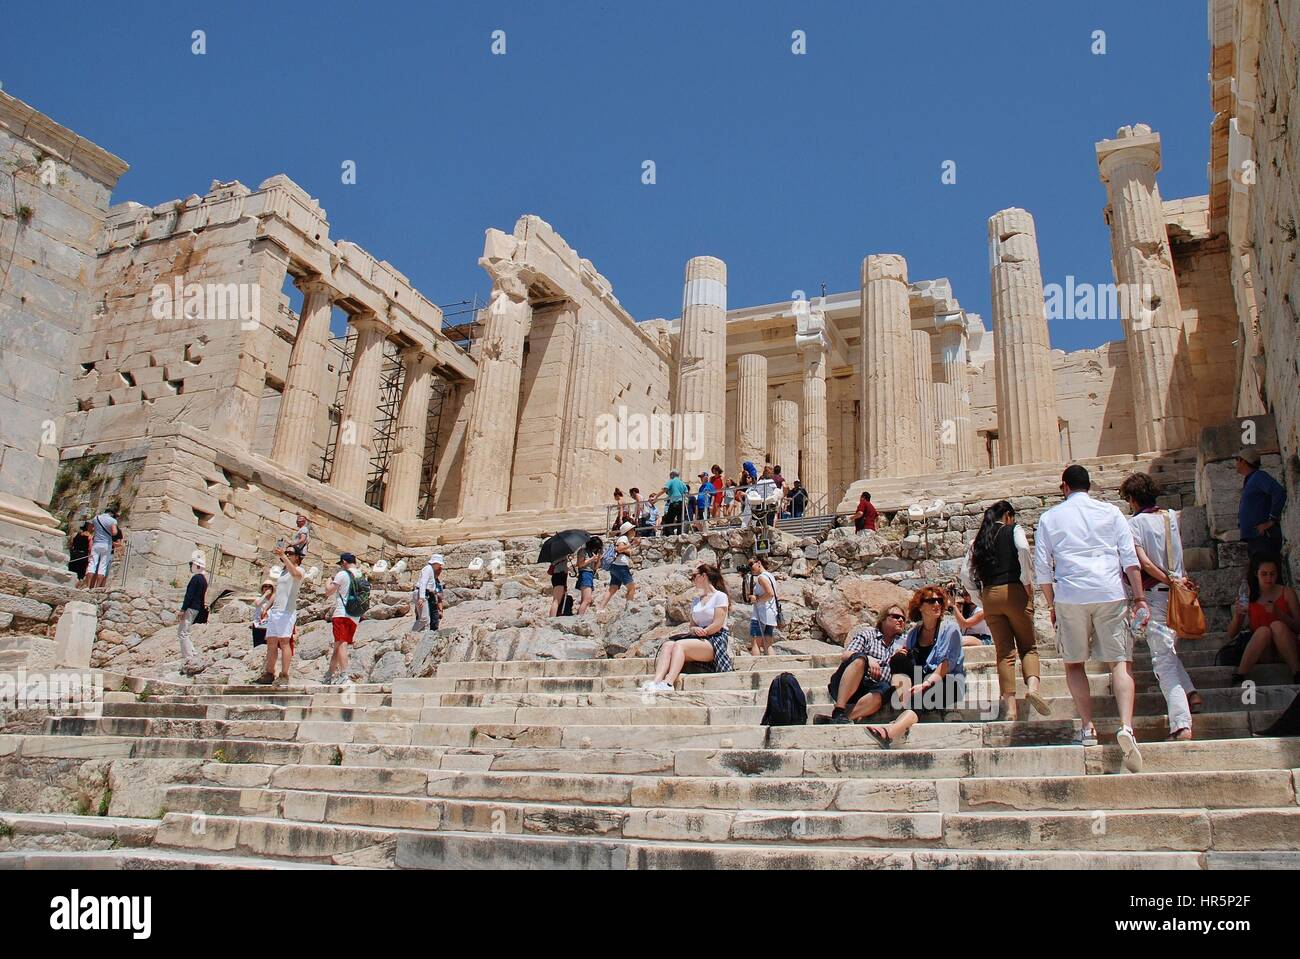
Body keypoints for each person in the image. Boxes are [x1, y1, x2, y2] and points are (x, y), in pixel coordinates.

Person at [1034, 465, 1149, 772]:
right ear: (1089, 486)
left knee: (1074, 664)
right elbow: (1129, 559)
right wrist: (1139, 598)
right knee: (1120, 662)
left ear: (1064, 487)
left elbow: (1043, 568)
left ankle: (1087, 728)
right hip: (1109, 590)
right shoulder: (1111, 513)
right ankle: (1126, 726)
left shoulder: (1050, 518)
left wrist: (1051, 605)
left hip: (1071, 594)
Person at [1120, 472, 1203, 740]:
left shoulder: (1134, 524)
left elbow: (1141, 561)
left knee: (1163, 661)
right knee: (1168, 649)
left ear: (1132, 499)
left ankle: (1181, 724)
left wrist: (1160, 581)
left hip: (1155, 595)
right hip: (1178, 595)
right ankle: (1191, 693)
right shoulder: (1170, 518)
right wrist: (1178, 580)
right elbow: (1177, 552)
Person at [961, 500, 1050, 721]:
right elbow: (1022, 549)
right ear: (1008, 515)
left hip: (990, 596)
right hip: (1014, 590)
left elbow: (965, 573)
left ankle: (1010, 707)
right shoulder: (1014, 530)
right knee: (1028, 646)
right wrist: (1027, 582)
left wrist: (978, 597)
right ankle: (1033, 688)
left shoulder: (977, 540)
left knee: (1004, 652)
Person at [862, 586, 966, 747]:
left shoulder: (950, 629)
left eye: (939, 600)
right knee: (898, 659)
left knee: (922, 696)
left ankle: (890, 733)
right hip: (920, 681)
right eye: (931, 600)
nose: (937, 603)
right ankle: (906, 710)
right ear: (920, 606)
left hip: (947, 682)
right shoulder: (913, 633)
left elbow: (945, 664)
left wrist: (926, 684)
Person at [643, 564, 732, 690]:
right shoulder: (696, 600)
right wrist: (694, 629)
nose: (692, 579)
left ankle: (668, 682)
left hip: (715, 639)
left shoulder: (720, 596)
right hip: (698, 638)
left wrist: (704, 631)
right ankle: (656, 682)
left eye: (694, 576)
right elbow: (693, 624)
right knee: (667, 645)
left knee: (680, 645)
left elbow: (718, 623)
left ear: (703, 576)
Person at [1227, 553, 1300, 686]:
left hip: (1286, 648)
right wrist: (1238, 616)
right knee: (1263, 631)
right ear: (1256, 574)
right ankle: (1239, 675)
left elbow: (1298, 627)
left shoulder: (1287, 593)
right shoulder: (1249, 595)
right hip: (1263, 650)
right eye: (1264, 574)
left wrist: (1280, 614)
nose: (1269, 578)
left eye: (1272, 574)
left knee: (1277, 625)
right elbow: (1231, 634)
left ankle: (1297, 673)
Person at [827, 604, 907, 724]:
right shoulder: (868, 635)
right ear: (883, 619)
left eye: (903, 618)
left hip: (874, 689)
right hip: (850, 684)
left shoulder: (903, 642)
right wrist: (869, 659)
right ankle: (839, 710)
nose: (900, 620)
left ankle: (844, 719)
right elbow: (846, 655)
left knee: (885, 688)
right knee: (860, 659)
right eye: (896, 616)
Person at [255, 544, 304, 686]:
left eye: (290, 553)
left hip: (287, 612)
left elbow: (296, 575)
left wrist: (282, 555)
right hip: (276, 611)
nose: (287, 554)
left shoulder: (299, 569)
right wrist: (268, 607)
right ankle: (269, 673)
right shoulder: (283, 572)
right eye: (286, 552)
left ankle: (284, 674)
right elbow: (277, 591)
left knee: (284, 642)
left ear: (297, 557)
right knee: (271, 642)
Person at [1237, 448, 1287, 557]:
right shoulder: (1251, 479)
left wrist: (1271, 520)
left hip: (1263, 537)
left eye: (1238, 460)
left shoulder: (1259, 476)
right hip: (1254, 538)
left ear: (1244, 461)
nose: (1236, 463)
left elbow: (1279, 492)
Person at [323, 552, 362, 685]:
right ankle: (329, 674)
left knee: (341, 644)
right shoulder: (361, 575)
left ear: (344, 562)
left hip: (342, 613)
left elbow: (329, 591)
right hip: (355, 615)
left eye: (341, 564)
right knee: (339, 645)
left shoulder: (342, 574)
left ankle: (344, 675)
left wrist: (327, 581)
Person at [177, 555, 208, 669]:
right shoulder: (204, 580)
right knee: (186, 631)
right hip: (197, 608)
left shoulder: (196, 578)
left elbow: (189, 595)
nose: (191, 567)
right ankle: (192, 652)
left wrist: (183, 609)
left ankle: (188, 655)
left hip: (190, 607)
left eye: (192, 565)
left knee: (182, 632)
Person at [598, 522, 637, 611]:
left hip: (615, 565)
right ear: (629, 531)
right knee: (632, 588)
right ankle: (628, 609)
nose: (634, 531)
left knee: (613, 588)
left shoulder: (622, 539)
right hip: (621, 566)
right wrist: (631, 544)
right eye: (633, 529)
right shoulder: (623, 538)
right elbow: (619, 549)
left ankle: (600, 608)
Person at [747, 557, 779, 656]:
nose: (750, 568)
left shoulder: (761, 577)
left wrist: (756, 599)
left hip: (760, 613)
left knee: (756, 643)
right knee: (768, 644)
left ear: (759, 563)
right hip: (770, 613)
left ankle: (756, 669)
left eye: (751, 564)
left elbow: (770, 593)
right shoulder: (770, 576)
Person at [87, 504, 119, 589]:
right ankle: (97, 587)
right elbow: (114, 532)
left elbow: (90, 529)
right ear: (112, 513)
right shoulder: (112, 521)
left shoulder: (96, 518)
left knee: (92, 564)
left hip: (96, 543)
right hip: (106, 544)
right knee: (103, 565)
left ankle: (88, 586)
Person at [415, 553, 445, 630]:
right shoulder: (427, 569)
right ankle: (413, 633)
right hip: (423, 593)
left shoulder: (431, 570)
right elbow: (423, 583)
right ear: (436, 563)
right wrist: (421, 597)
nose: (440, 566)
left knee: (426, 619)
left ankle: (421, 634)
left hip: (427, 594)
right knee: (424, 619)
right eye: (439, 564)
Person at [574, 536, 601, 614]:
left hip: (590, 574)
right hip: (585, 573)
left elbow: (595, 567)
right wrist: (591, 559)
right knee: (587, 600)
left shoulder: (592, 553)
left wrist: (598, 559)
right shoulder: (583, 551)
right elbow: (580, 564)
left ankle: (580, 616)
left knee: (584, 600)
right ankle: (579, 618)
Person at [661, 470, 688, 536]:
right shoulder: (682, 483)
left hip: (674, 503)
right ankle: (680, 535)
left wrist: (656, 497)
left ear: (672, 475)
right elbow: (686, 493)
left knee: (668, 520)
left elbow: (664, 490)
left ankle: (671, 536)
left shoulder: (671, 481)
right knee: (680, 520)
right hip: (682, 503)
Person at [250, 580, 274, 648]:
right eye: (265, 586)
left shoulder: (274, 600)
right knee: (258, 646)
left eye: (269, 586)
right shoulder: (259, 598)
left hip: (269, 625)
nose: (267, 588)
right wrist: (265, 594)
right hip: (258, 625)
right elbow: (257, 603)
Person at [67, 521, 92, 585]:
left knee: (71, 570)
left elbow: (71, 544)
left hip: (74, 554)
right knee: (80, 574)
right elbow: (90, 548)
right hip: (83, 556)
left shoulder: (75, 534)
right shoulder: (90, 537)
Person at [547, 551, 569, 618]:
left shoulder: (554, 553)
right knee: (556, 601)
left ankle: (553, 616)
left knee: (557, 600)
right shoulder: (561, 553)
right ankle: (552, 618)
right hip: (560, 575)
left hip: (557, 576)